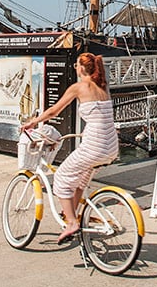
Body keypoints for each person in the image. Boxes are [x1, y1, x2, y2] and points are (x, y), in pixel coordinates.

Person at [21, 52, 118, 244]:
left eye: (76, 66)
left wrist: (33, 122)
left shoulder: (79, 87)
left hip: (95, 145)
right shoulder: (103, 87)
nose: (75, 68)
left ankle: (72, 223)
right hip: (111, 146)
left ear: (81, 68)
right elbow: (100, 118)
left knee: (62, 177)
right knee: (81, 180)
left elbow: (54, 110)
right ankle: (73, 215)